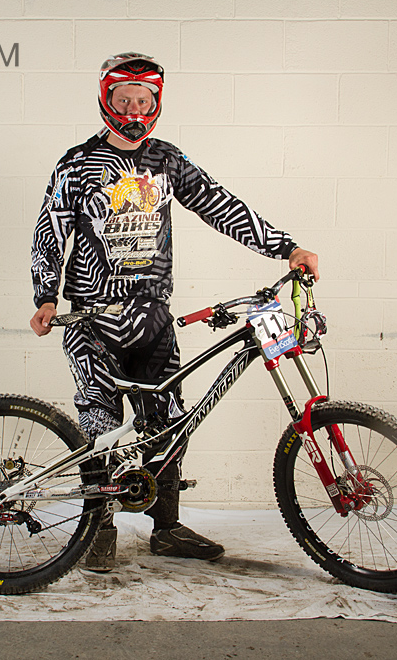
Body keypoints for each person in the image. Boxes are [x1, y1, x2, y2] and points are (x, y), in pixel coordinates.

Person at [29, 52, 319, 572]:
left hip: (153, 317)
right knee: (101, 425)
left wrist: (286, 247)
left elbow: (218, 203)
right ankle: (98, 531)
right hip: (93, 319)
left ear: (156, 103)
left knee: (168, 423)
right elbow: (49, 231)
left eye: (143, 101)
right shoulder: (77, 163)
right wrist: (46, 296)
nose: (134, 111)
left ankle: (166, 527)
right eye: (124, 100)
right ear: (106, 100)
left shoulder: (166, 160)